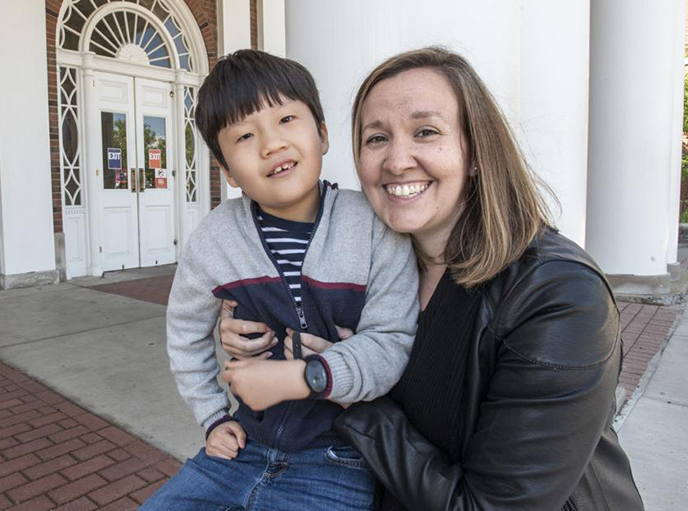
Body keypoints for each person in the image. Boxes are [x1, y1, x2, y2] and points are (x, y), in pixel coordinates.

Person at [220, 46, 644, 510]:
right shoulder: (371, 267)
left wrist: (348, 394)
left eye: (426, 132)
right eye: (376, 138)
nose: (398, 161)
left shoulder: (560, 298)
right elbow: (304, 334)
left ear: (476, 152)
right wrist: (248, 327)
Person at [141, 49, 419, 510]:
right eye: (245, 135)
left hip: (340, 458)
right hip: (241, 449)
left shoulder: (372, 226)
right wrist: (212, 416)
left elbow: (391, 341)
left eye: (287, 119)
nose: (271, 144)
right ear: (227, 170)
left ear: (323, 134)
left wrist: (309, 375)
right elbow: (184, 334)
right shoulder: (216, 238)